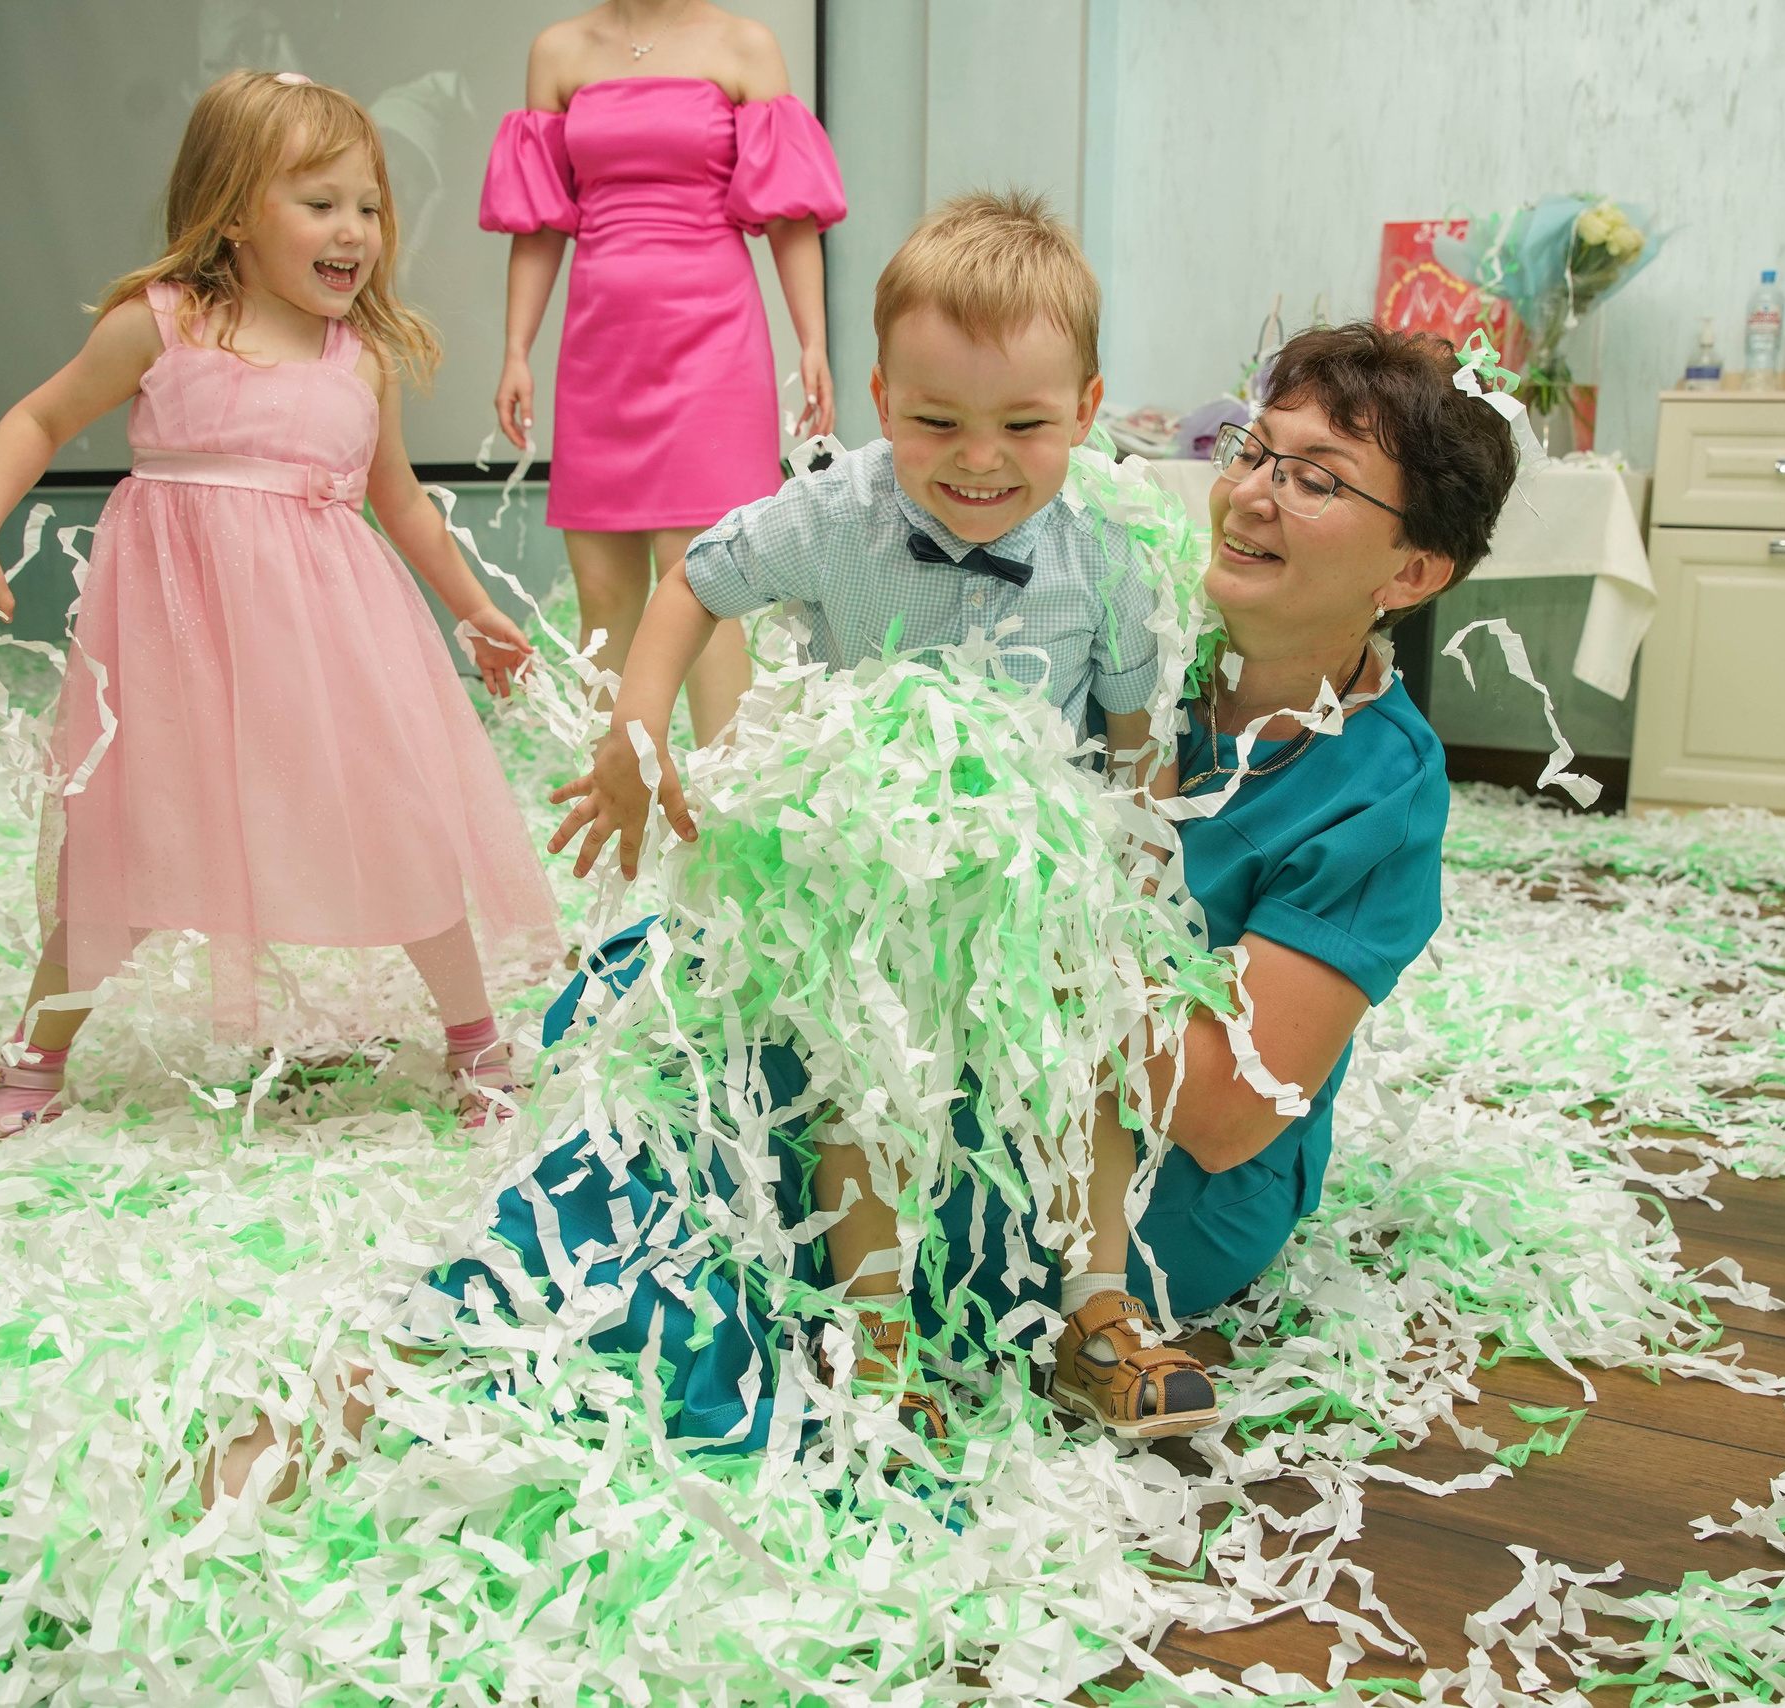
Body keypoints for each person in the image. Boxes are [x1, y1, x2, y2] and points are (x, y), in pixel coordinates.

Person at [208, 321, 1515, 1501]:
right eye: (1254, 452)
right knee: (705, 1002)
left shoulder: (1376, 788)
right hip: (963, 1048)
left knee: (782, 1104)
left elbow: (1231, 1110)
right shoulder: (1143, 622)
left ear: (1410, 570)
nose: (1255, 495)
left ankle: (473, 1370)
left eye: (1317, 477)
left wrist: (988, 941)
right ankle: (473, 1343)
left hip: (1139, 1192)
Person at [545, 189, 1206, 1443]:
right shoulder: (836, 515)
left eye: (1024, 422)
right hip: (867, 869)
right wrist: (637, 727)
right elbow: (689, 582)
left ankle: (1099, 1316)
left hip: (1041, 876)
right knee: (868, 1070)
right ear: (877, 396)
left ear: (1087, 406)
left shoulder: (1109, 553)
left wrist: (1133, 884)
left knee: (1093, 1066)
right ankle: (874, 1333)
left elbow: (1134, 746)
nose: (979, 459)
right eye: (934, 420)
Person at [0, 71, 556, 1141]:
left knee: (402, 823)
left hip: (336, 648)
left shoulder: (363, 361)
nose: (356, 230)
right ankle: (35, 1052)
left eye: (370, 206)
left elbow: (402, 507)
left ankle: (474, 1034)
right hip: (181, 653)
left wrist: (477, 612)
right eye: (320, 202)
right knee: (127, 846)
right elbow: (37, 417)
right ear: (234, 209)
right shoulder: (160, 326)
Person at [480, 0, 842, 747]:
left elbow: (790, 218)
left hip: (713, 338)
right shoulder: (558, 51)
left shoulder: (745, 45)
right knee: (604, 590)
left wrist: (814, 341)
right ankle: (607, 809)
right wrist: (517, 347)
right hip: (600, 344)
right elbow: (543, 221)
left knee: (703, 578)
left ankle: (721, 814)